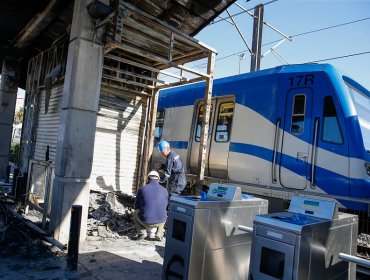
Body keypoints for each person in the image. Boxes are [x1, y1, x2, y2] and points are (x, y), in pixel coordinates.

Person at [133, 170, 168, 241]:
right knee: (165, 213)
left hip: (146, 222)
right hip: (160, 221)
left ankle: (142, 232)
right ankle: (159, 233)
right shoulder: (165, 190)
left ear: (148, 179)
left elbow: (136, 206)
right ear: (158, 179)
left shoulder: (142, 189)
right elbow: (166, 206)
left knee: (135, 213)